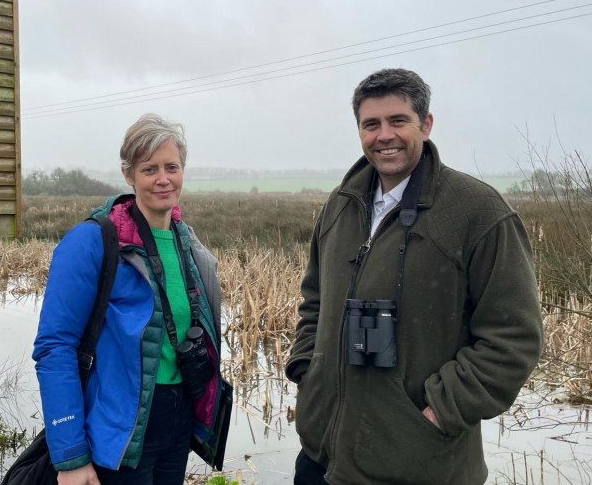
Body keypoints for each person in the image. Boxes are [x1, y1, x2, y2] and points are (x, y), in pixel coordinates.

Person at [285, 69, 543, 485]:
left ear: (425, 124)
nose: (383, 135)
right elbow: (314, 300)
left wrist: (438, 412)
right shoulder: (340, 205)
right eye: (371, 124)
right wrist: (306, 370)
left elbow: (513, 339)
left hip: (420, 466)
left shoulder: (479, 213)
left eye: (397, 121)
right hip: (320, 457)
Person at [33, 114, 224, 485]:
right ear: (128, 175)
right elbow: (54, 347)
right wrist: (70, 456)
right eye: (149, 168)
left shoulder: (189, 244)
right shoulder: (91, 242)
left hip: (178, 422)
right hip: (117, 432)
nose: (163, 178)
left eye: (172, 166)